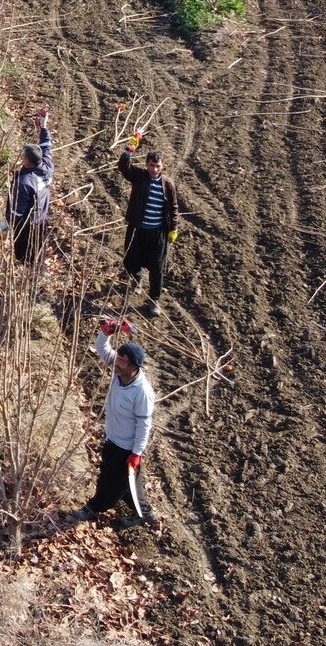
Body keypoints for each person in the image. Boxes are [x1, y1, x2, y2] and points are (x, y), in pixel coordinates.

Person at [78, 325, 155, 529]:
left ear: (134, 367)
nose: (117, 363)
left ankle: (96, 507)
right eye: (118, 358)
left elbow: (144, 424)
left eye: (122, 361)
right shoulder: (119, 371)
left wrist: (136, 452)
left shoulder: (142, 392)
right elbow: (102, 347)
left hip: (126, 447)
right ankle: (142, 511)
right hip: (112, 438)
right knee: (125, 483)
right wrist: (107, 331)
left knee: (113, 480)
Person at [118, 147, 182, 317]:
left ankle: (154, 299)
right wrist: (128, 152)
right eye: (152, 165)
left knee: (157, 267)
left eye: (158, 166)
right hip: (137, 228)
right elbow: (124, 167)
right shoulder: (139, 177)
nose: (155, 169)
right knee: (130, 260)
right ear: (146, 165)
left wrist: (173, 228)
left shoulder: (167, 184)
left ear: (163, 166)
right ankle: (137, 277)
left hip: (157, 233)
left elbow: (174, 207)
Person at [3, 112, 53, 265]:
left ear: (27, 160)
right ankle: (35, 270)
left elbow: (18, 212)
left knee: (24, 254)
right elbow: (46, 146)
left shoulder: (24, 183)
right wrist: (43, 128)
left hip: (27, 225)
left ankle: (25, 271)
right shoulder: (47, 167)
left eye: (23, 156)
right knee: (38, 251)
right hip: (41, 220)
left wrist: (7, 222)